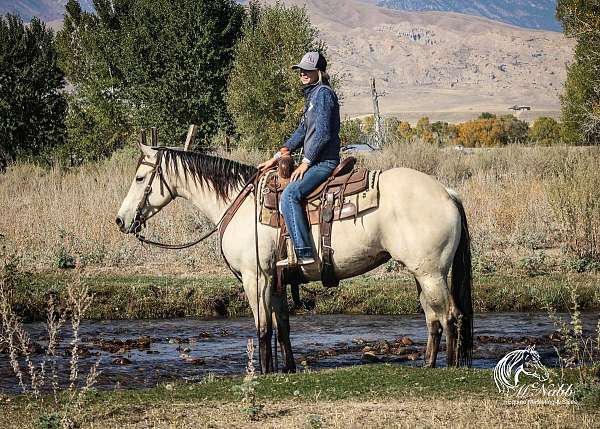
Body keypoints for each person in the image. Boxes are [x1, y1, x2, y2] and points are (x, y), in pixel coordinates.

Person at [258, 51, 341, 267]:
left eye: (308, 70)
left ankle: (304, 253)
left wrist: (306, 161)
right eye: (301, 70)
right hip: (316, 161)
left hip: (324, 162)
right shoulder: (312, 96)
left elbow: (322, 134)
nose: (303, 73)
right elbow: (302, 131)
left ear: (319, 72)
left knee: (290, 195)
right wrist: (276, 157)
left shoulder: (323, 94)